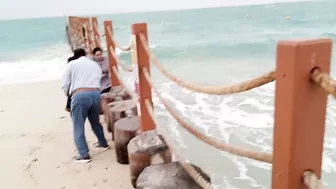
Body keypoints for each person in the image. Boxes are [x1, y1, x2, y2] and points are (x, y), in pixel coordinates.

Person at [62, 48, 109, 163]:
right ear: (86, 54)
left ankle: (84, 155)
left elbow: (65, 83)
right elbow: (98, 80)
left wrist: (69, 94)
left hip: (80, 94)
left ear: (75, 55)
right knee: (95, 121)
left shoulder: (72, 64)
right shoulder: (95, 65)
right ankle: (103, 143)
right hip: (96, 93)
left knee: (78, 125)